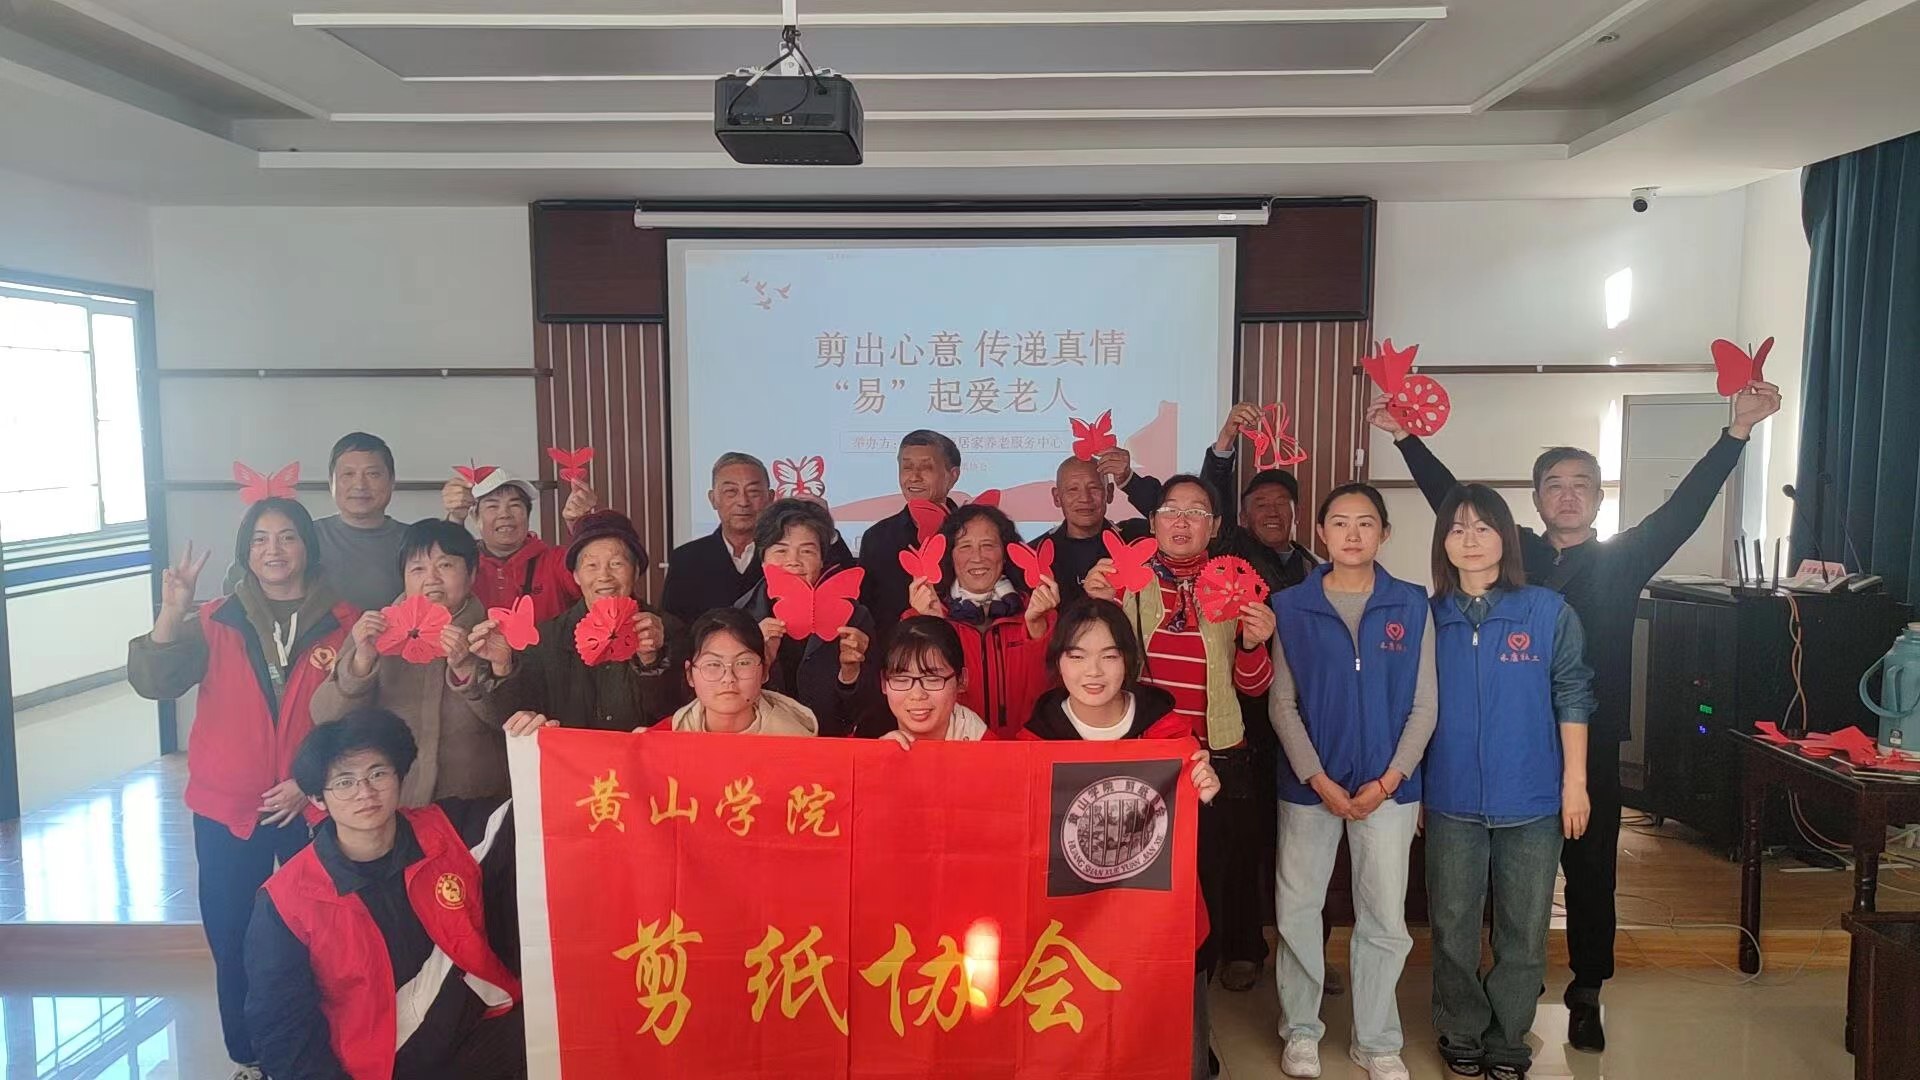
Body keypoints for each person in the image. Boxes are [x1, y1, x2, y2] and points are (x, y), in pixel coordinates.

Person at [1369, 375, 1783, 1051]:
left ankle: (1587, 989)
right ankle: (1504, 990)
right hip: (1503, 740)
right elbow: (1453, 500)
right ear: (1535, 500)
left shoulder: (1625, 557)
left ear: (1598, 497)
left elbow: (1685, 508)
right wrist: (1405, 437)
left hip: (1590, 738)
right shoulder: (1513, 552)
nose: (1567, 495)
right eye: (1554, 485)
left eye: (1581, 485)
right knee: (1497, 876)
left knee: (1591, 872)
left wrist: (1735, 433)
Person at [127, 499, 357, 1080]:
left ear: (307, 546)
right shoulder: (215, 619)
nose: (273, 550)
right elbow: (155, 681)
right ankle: (250, 1056)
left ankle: (321, 1048)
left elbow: (353, 720)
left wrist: (309, 784)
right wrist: (171, 611)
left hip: (312, 807)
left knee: (322, 932)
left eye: (287, 537)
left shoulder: (345, 621)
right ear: (246, 552)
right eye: (260, 540)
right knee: (232, 934)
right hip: (229, 809)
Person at [244, 709, 525, 1080]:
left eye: (378, 774)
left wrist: (538, 744)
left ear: (399, 776)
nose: (365, 793)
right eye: (344, 782)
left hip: (483, 1032)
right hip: (380, 1063)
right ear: (316, 799)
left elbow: (542, 809)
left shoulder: (451, 830)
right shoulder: (286, 902)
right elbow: (282, 1029)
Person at [1084, 472, 1276, 1006]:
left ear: (1215, 526)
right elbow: (1090, 668)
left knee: (1207, 881)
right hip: (1142, 760)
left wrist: (1254, 643)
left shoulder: (1234, 586)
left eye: (1196, 512)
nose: (1182, 521)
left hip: (1214, 761)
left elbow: (1254, 687)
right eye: (1171, 510)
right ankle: (1139, 995)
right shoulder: (1125, 579)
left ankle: (1192, 1001)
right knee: (1141, 885)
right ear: (1152, 522)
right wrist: (1095, 604)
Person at [1425, 485, 1596, 1080]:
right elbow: (1411, 709)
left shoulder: (1548, 611)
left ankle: (1508, 1035)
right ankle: (1460, 1028)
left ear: (1506, 537)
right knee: (1453, 925)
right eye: (1457, 529)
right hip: (1450, 797)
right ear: (1442, 543)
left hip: (1533, 797)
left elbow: (1574, 695)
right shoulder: (1429, 617)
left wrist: (1575, 783)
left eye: (1483, 527)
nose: (1470, 540)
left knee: (1523, 928)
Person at [1269, 483, 1436, 1080]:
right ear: (1320, 533)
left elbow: (1425, 705)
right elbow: (1282, 704)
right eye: (1339, 523)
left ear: (1384, 533)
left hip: (1389, 790)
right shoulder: (1290, 606)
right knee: (1298, 910)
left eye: (1366, 523)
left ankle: (1377, 1040)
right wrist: (1317, 778)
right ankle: (1301, 1030)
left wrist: (1389, 780)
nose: (1352, 534)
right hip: (1308, 788)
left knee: (1384, 917)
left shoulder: (1412, 604)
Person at [1018, 598, 1223, 1080]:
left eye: (1108, 656)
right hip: (1072, 928)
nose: (1093, 671)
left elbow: (1189, 835)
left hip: (1157, 919)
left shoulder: (1169, 734)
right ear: (1058, 663)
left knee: (1174, 1046)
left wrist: (1205, 792)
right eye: (1077, 656)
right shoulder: (1033, 744)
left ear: (1128, 661)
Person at [1196, 404, 1325, 992]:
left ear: (1296, 514)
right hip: (1246, 721)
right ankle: (1243, 948)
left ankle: (1309, 955)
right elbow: (1212, 499)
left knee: (1305, 845)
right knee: (1245, 840)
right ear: (1243, 516)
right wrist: (1225, 443)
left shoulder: (1317, 568)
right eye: (1261, 504)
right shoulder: (1229, 556)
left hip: (1307, 724)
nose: (1272, 512)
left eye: (1282, 504)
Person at [312, 518, 509, 804]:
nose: (432, 578)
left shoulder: (492, 634)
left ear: (472, 573)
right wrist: (362, 662)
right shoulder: (375, 631)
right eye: (417, 568)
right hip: (390, 801)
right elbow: (325, 717)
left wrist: (467, 670)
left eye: (445, 565)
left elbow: (512, 722)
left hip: (475, 800)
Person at [465, 509, 688, 730]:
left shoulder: (667, 629)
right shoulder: (548, 637)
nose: (604, 576)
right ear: (576, 576)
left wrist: (652, 661)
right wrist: (502, 666)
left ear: (636, 570)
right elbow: (508, 716)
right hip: (570, 754)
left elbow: (679, 713)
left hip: (640, 754)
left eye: (616, 564)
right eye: (591, 566)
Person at [905, 503, 1058, 738]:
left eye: (988, 545)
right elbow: (915, 698)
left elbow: (1052, 695)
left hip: (1027, 750)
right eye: (965, 546)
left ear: (1005, 555)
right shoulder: (918, 617)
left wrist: (1037, 630)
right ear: (950, 556)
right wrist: (933, 627)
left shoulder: (1039, 614)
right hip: (956, 751)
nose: (977, 557)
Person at [734, 498, 878, 737]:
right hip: (763, 744)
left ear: (822, 560)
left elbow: (869, 709)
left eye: (807, 551)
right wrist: (759, 662)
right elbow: (727, 702)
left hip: (828, 745)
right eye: (781, 550)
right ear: (763, 558)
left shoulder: (853, 617)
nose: (793, 561)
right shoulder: (740, 618)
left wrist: (850, 674)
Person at [442, 467, 595, 623]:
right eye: (492, 506)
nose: (505, 514)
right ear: (475, 517)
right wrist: (455, 519)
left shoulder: (556, 562)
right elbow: (442, 581)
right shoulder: (466, 566)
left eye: (514, 505)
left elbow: (595, 582)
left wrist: (580, 524)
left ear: (527, 515)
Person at [859, 429, 962, 643]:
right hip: (897, 656)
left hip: (962, 651)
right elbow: (866, 611)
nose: (914, 477)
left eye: (926, 467)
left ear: (953, 476)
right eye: (907, 467)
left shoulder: (971, 532)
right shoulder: (877, 538)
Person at [1029, 451, 1163, 604]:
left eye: (1094, 488)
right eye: (1073, 489)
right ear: (1057, 497)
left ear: (1109, 492)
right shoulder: (1036, 553)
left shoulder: (1136, 538)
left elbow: (1173, 515)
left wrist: (1129, 481)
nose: (1085, 498)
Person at [667, 608, 820, 735]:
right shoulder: (668, 738)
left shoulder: (797, 742)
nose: (728, 678)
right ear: (690, 674)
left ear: (764, 670)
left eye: (743, 663)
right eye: (713, 664)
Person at [316, 431, 409, 610]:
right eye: (348, 474)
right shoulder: (305, 536)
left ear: (392, 481)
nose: (360, 485)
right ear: (331, 482)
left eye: (372, 474)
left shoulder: (415, 540)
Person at [877, 616, 988, 745]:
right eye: (902, 679)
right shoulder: (870, 748)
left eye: (932, 679)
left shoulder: (989, 748)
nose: (917, 695)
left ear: (962, 680)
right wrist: (878, 755)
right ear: (884, 683)